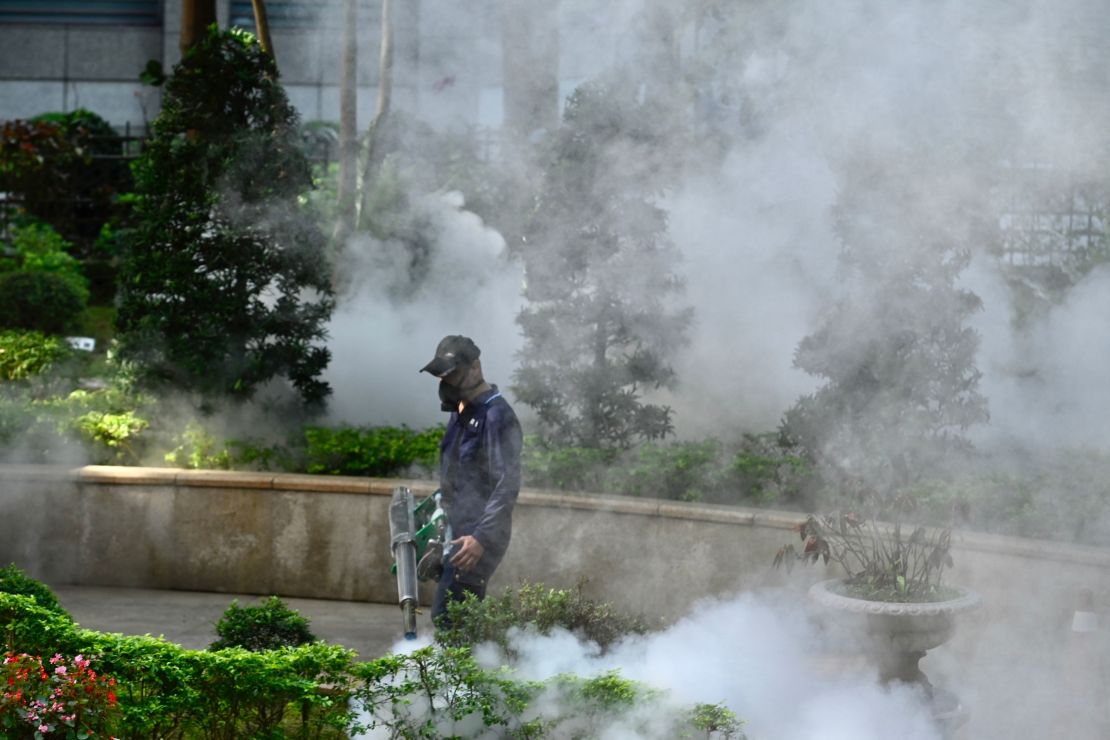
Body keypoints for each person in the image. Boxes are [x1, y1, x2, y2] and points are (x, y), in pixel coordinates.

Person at [420, 334, 522, 626]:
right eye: (443, 377)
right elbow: (459, 470)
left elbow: (507, 483)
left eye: (453, 375)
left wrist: (481, 539)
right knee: (455, 617)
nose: (447, 384)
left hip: (476, 537)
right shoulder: (463, 410)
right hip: (458, 529)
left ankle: (466, 671)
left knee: (450, 617)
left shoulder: (497, 416)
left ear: (475, 368)